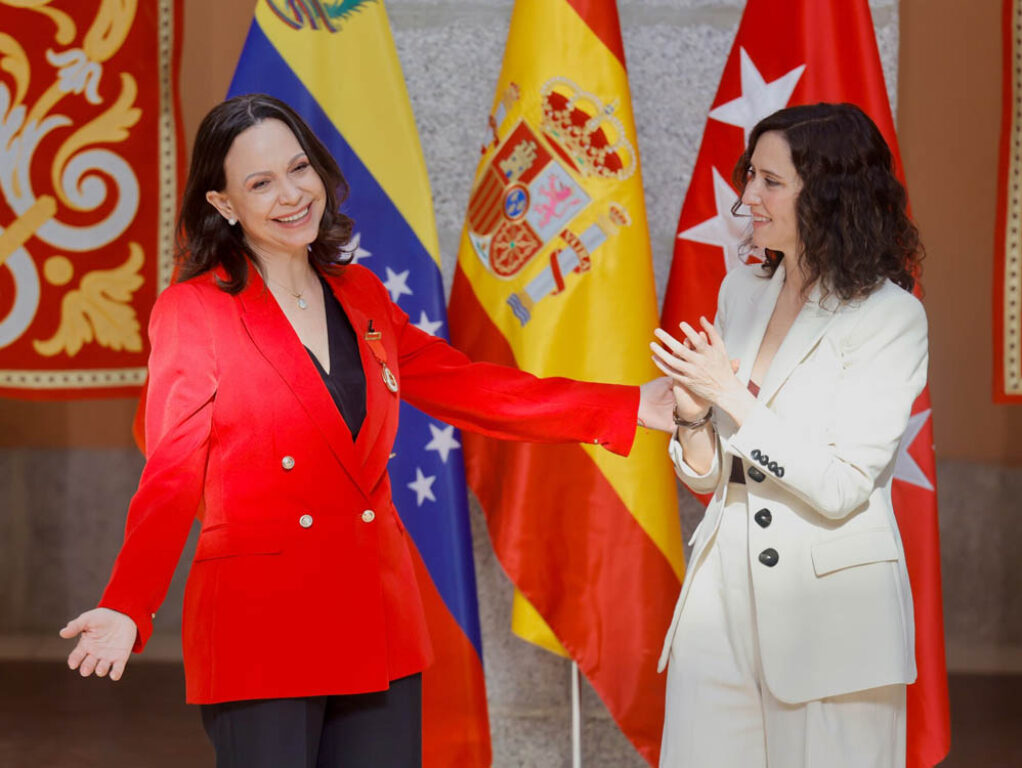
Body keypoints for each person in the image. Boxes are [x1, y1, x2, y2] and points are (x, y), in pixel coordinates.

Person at [59, 93, 673, 768]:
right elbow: (172, 471)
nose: (291, 194)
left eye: (299, 169)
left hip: (373, 616)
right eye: (260, 183)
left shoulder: (361, 294)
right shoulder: (194, 310)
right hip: (261, 625)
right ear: (225, 204)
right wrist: (128, 604)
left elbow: (468, 386)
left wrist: (627, 407)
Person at [650, 102, 927, 768]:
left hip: (833, 620)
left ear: (831, 195)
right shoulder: (739, 290)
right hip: (718, 612)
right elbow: (715, 477)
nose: (747, 197)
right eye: (751, 175)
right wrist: (693, 416)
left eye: (770, 182)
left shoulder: (891, 318)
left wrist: (727, 395)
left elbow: (838, 487)